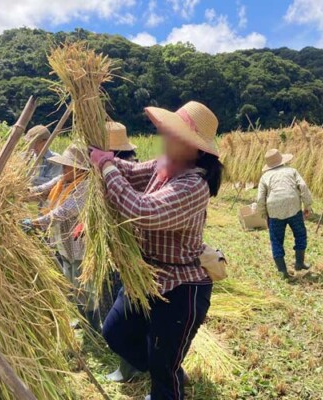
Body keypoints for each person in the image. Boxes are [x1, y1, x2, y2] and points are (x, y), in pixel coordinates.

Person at [90, 101, 223, 400]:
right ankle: (166, 365)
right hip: (146, 277)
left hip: (181, 288)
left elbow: (142, 211)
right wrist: (107, 159)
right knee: (115, 333)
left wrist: (106, 167)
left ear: (196, 150)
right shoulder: (164, 165)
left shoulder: (194, 185)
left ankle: (166, 374)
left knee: (164, 371)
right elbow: (131, 171)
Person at [22, 145, 100, 328]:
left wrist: (35, 222)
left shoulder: (85, 186)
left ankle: (94, 327)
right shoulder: (62, 180)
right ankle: (83, 321)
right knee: (72, 284)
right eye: (64, 166)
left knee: (85, 288)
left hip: (80, 245)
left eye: (67, 166)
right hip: (64, 244)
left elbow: (63, 212)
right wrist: (21, 193)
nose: (63, 170)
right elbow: (41, 190)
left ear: (79, 169)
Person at [256, 149, 313, 279]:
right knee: (300, 234)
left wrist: (264, 214)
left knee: (276, 240)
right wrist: (307, 205)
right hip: (293, 207)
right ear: (282, 160)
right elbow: (303, 186)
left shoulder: (265, 177)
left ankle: (283, 271)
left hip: (274, 210)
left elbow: (260, 198)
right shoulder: (291, 171)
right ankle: (299, 263)